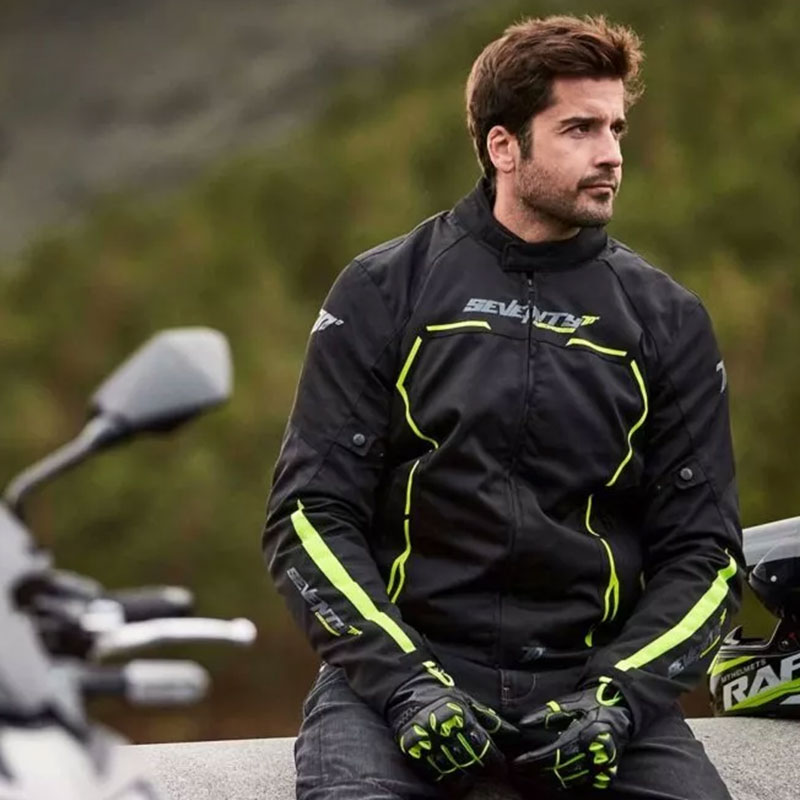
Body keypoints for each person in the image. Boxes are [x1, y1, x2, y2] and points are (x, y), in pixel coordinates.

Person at [262, 14, 743, 800]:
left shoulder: (668, 318)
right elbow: (309, 515)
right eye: (580, 128)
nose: (612, 154)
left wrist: (620, 700)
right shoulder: (385, 288)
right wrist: (407, 686)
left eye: (616, 128)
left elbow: (708, 553)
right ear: (502, 147)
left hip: (594, 688)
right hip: (398, 682)